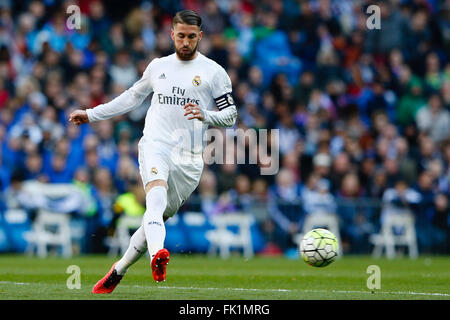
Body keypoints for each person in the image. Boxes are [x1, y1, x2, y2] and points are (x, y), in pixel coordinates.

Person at [68, 10, 237, 293]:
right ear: (171, 34)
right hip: (156, 144)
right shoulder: (158, 66)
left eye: (191, 37)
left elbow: (231, 115)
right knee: (154, 200)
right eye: (180, 36)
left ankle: (118, 270)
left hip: (190, 160)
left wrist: (206, 115)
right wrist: (92, 114)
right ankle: (158, 255)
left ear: (201, 37)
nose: (185, 42)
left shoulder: (214, 72)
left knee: (154, 220)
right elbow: (132, 97)